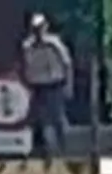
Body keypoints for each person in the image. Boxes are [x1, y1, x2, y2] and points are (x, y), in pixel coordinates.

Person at [20, 12, 75, 162]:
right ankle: (48, 153)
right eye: (35, 28)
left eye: (40, 27)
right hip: (37, 86)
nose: (38, 31)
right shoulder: (27, 46)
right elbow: (25, 66)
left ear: (46, 27)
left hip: (54, 84)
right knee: (42, 120)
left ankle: (66, 151)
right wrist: (27, 84)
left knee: (58, 118)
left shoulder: (54, 44)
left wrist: (68, 85)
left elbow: (67, 64)